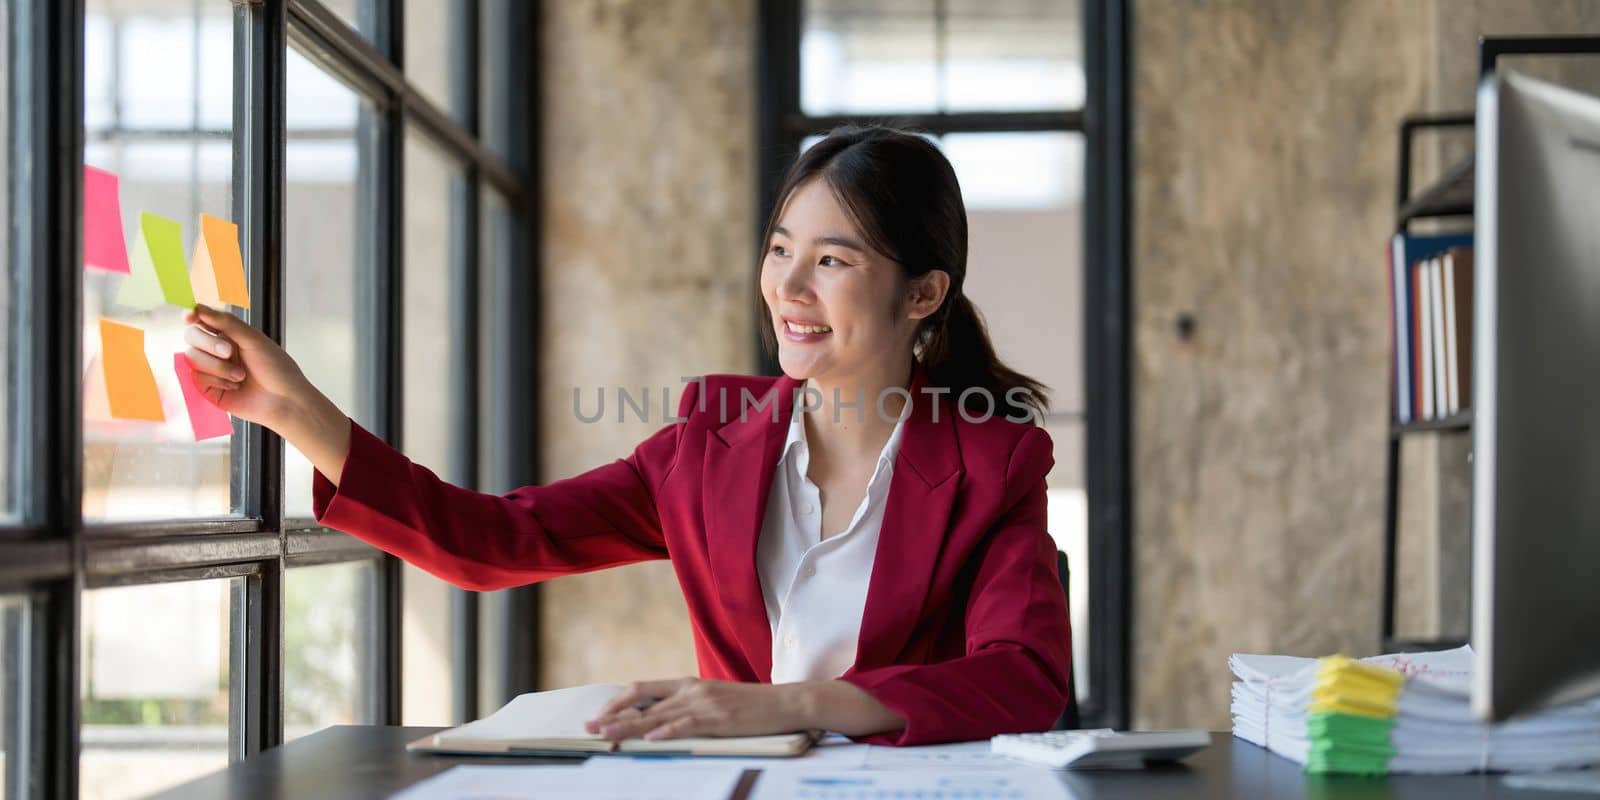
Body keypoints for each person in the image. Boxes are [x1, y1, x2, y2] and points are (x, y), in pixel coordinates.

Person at [181, 124, 1072, 747]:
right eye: (779, 249)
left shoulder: (993, 464)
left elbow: (1024, 677)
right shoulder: (704, 447)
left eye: (833, 261)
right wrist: (294, 409)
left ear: (922, 293)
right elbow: (492, 542)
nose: (789, 287)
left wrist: (789, 705)